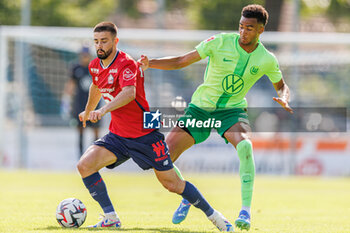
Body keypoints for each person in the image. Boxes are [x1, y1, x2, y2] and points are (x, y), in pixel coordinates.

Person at [138, 4, 293, 231]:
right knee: (163, 160)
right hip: (200, 109)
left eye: (249, 28)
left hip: (232, 112)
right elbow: (182, 60)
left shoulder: (266, 59)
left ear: (260, 30)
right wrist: (150, 63)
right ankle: (189, 195)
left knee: (246, 147)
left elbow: (282, 86)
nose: (243, 32)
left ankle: (245, 212)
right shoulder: (220, 42)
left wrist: (285, 98)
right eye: (241, 26)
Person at [76, 21, 234, 231]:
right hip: (118, 136)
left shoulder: (127, 63)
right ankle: (111, 217)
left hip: (144, 135)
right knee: (85, 166)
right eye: (96, 42)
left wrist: (102, 110)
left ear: (115, 41)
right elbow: (96, 85)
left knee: (173, 185)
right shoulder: (95, 65)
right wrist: (88, 111)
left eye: (104, 41)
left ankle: (216, 217)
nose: (99, 46)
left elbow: (129, 93)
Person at [63, 47, 100, 157]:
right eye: (83, 55)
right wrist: (66, 100)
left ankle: (95, 155)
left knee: (96, 130)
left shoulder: (95, 67)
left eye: (86, 55)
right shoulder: (76, 68)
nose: (84, 57)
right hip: (80, 104)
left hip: (94, 104)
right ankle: (80, 156)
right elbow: (71, 84)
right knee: (80, 130)